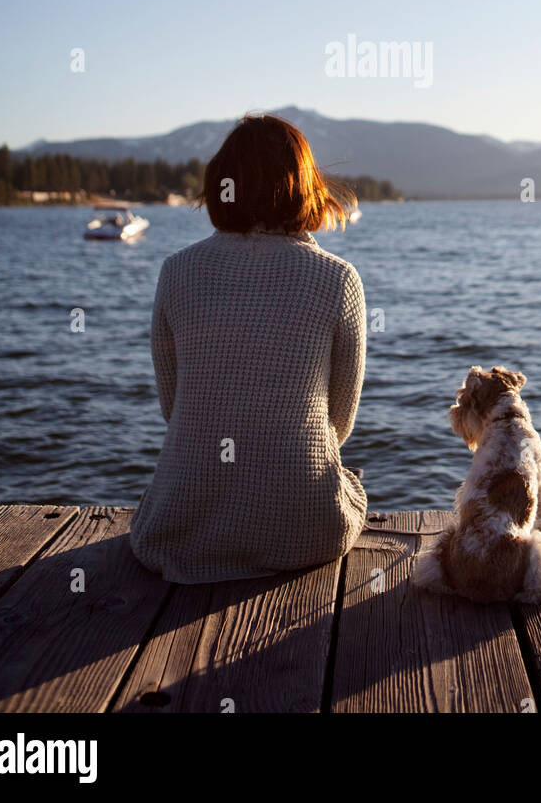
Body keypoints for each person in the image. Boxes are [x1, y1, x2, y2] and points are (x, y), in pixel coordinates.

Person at [129, 113, 367, 583]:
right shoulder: (337, 279)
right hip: (306, 530)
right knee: (350, 483)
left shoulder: (177, 272)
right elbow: (339, 424)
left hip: (180, 532)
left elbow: (172, 407)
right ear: (304, 186)